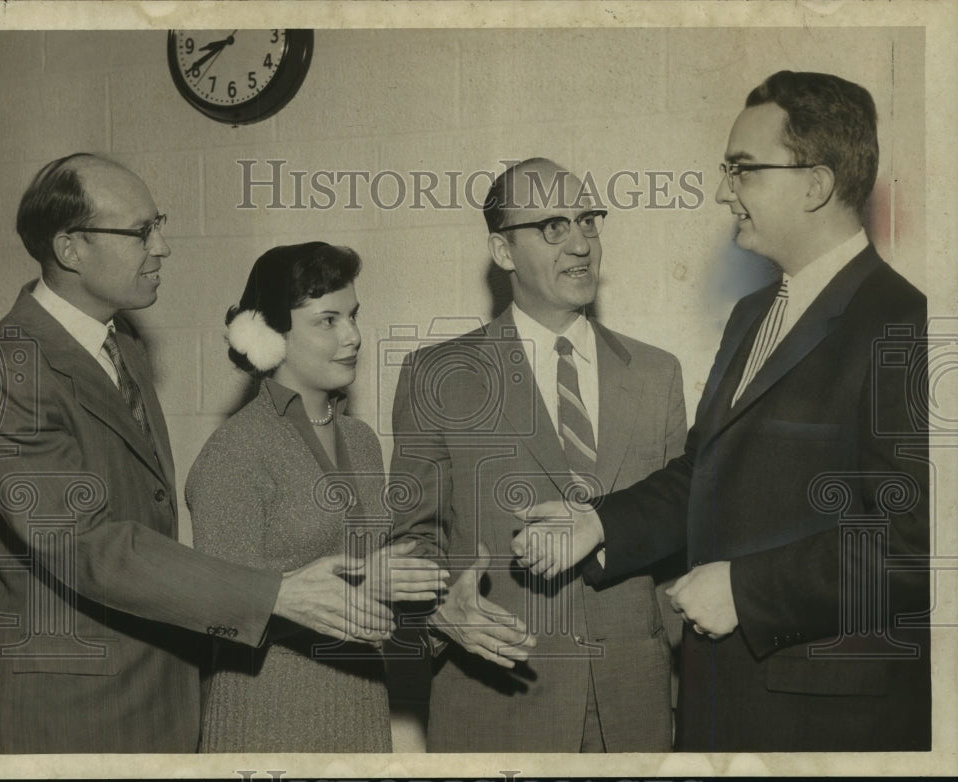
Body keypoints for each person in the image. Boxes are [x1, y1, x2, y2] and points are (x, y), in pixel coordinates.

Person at [514, 72, 931, 751]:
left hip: (827, 728)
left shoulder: (905, 324)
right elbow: (702, 473)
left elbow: (921, 540)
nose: (721, 192)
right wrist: (599, 522)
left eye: (742, 170)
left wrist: (748, 590)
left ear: (816, 183)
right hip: (724, 708)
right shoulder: (752, 315)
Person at [0, 154, 440, 753]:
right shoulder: (5, 367)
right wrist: (275, 594)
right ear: (71, 248)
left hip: (163, 698)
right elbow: (85, 542)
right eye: (141, 231)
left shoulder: (122, 347)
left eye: (159, 223)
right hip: (75, 710)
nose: (162, 246)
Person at [389, 158, 688, 752]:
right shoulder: (438, 375)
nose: (579, 243)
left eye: (587, 221)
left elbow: (682, 520)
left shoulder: (658, 373)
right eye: (552, 226)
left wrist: (669, 644)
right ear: (502, 251)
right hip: (497, 704)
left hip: (636, 710)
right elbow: (409, 538)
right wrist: (439, 607)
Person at [186, 242, 441, 752]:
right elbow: (222, 613)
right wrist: (367, 586)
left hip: (362, 712)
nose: (352, 337)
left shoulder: (363, 441)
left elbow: (373, 590)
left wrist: (443, 610)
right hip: (267, 718)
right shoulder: (235, 449)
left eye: (352, 316)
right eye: (327, 321)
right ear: (268, 336)